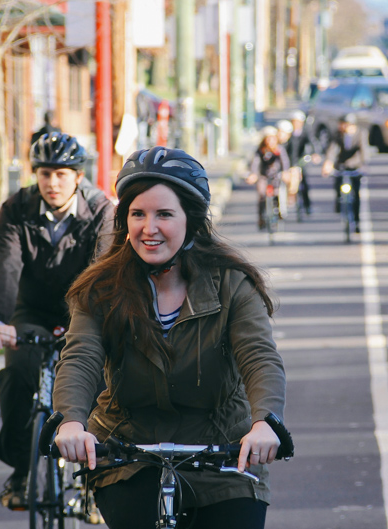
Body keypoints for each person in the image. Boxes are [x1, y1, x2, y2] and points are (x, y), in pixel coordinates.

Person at [51, 147, 287, 529]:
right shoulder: (100, 289)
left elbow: (260, 358)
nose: (149, 228)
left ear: (191, 221)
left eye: (164, 214)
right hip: (128, 451)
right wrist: (71, 423)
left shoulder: (232, 285)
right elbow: (80, 357)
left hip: (223, 453)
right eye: (138, 214)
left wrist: (265, 423)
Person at [0, 131, 114, 509]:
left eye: (61, 174)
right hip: (34, 310)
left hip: (85, 309)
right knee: (18, 373)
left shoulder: (102, 211)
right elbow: (4, 263)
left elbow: (102, 269)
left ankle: (97, 477)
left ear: (78, 175)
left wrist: (91, 325)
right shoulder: (17, 209)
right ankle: (23, 470)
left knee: (100, 381)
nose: (52, 183)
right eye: (44, 174)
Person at [323, 113, 365, 227]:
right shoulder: (338, 135)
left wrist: (354, 163)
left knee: (356, 194)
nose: (343, 128)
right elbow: (333, 149)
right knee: (338, 183)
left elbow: (364, 153)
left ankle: (356, 221)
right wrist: (328, 162)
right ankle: (339, 203)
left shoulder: (360, 134)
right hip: (341, 166)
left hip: (355, 168)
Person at [246, 126, 290, 229]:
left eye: (272, 138)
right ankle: (261, 217)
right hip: (264, 176)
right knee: (262, 195)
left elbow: (285, 161)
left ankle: (279, 210)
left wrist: (285, 172)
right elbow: (255, 163)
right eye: (268, 139)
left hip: (276, 176)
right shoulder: (260, 151)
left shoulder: (279, 149)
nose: (270, 141)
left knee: (278, 192)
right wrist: (253, 174)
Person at [286, 110, 312, 214]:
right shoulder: (288, 133)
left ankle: (307, 205)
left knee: (304, 182)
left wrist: (314, 154)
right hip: (289, 161)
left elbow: (312, 142)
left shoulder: (305, 132)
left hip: (300, 161)